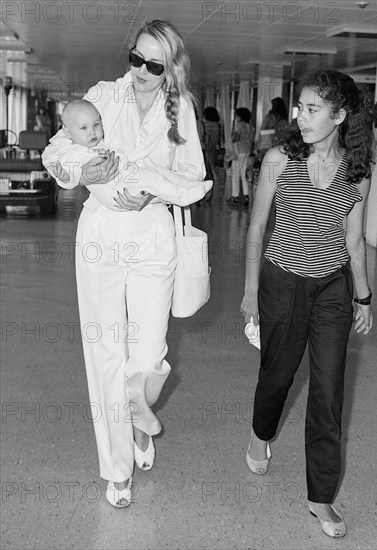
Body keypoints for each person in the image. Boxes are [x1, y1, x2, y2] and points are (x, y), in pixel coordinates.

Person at [42, 19, 206, 508]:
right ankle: (117, 469)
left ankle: (138, 409)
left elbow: (194, 173)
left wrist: (151, 187)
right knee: (105, 355)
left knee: (147, 352)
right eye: (136, 58)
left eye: (154, 65)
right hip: (100, 235)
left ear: (171, 68)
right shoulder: (103, 95)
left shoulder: (184, 110)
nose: (141, 71)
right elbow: (57, 151)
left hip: (153, 234)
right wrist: (82, 169)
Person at [240, 69, 376, 538]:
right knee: (277, 375)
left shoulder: (356, 172)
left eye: (312, 109)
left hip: (331, 290)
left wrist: (363, 296)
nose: (300, 116)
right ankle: (261, 435)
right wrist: (249, 293)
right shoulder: (280, 159)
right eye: (299, 107)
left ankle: (321, 497)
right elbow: (256, 229)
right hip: (281, 281)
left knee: (329, 390)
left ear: (339, 116)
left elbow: (354, 240)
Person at [45, 98, 212, 209]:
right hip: (117, 193)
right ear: (67, 133)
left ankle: (190, 185)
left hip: (125, 180)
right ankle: (182, 197)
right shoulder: (73, 152)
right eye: (84, 128)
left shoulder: (96, 143)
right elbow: (70, 176)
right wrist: (66, 176)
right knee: (152, 178)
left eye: (96, 124)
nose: (93, 132)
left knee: (159, 172)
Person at [229, 107, 254, 205]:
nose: (236, 117)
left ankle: (235, 196)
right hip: (247, 151)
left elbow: (236, 137)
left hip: (238, 151)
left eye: (237, 115)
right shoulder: (251, 127)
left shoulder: (239, 125)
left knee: (235, 174)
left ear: (240, 116)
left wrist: (231, 141)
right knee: (244, 174)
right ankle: (246, 196)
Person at [201, 106, 222, 200]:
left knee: (205, 170)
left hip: (205, 149)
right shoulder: (218, 125)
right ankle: (210, 191)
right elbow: (219, 139)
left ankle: (205, 192)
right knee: (211, 169)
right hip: (214, 149)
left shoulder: (203, 124)